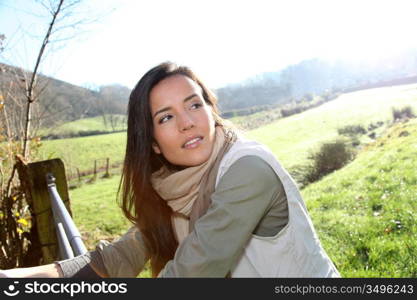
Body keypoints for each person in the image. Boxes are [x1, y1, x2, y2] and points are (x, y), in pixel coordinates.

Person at [0, 62, 340, 278]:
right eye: (166, 116)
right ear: (153, 143)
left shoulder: (247, 170)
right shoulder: (171, 186)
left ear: (211, 109)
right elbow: (120, 257)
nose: (187, 122)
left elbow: (192, 275)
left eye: (194, 104)